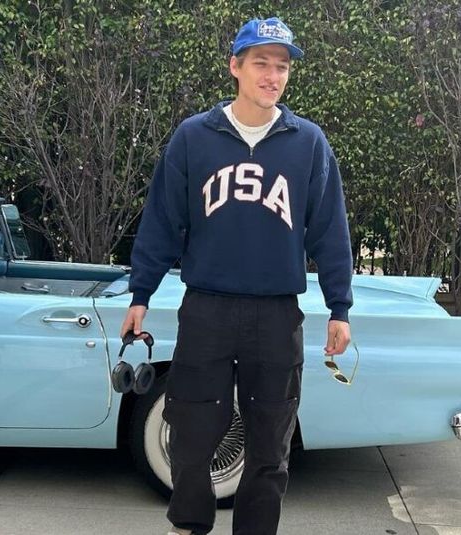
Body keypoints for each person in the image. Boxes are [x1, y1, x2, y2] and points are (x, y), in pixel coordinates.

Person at [119, 17, 354, 535]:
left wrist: (340, 307)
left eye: (282, 66)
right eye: (262, 64)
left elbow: (329, 229)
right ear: (236, 67)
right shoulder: (194, 138)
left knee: (271, 443)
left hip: (276, 316)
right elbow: (163, 220)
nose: (273, 76)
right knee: (190, 435)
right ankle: (189, 525)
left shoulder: (308, 143)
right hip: (206, 310)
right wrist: (141, 293)